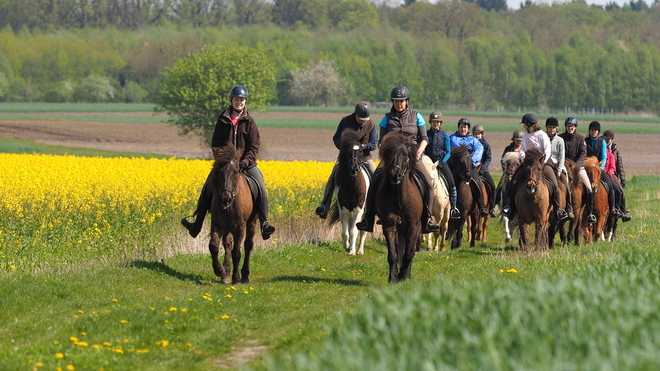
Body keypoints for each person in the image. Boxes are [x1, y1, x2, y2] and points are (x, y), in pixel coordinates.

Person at [181, 85, 276, 240]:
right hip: (225, 166)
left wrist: (245, 162)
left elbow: (254, 146)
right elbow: (216, 144)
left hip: (246, 165)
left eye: (242, 100)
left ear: (245, 102)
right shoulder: (222, 120)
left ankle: (265, 223)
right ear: (231, 100)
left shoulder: (249, 122)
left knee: (260, 187)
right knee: (207, 187)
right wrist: (222, 161)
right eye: (237, 99)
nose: (239, 102)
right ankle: (196, 225)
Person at [356, 86, 440, 233]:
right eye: (396, 101)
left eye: (402, 101)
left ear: (407, 101)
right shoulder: (386, 119)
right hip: (392, 159)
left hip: (412, 157)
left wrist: (419, 152)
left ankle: (427, 218)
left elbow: (424, 139)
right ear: (393, 102)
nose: (399, 104)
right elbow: (381, 141)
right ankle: (368, 219)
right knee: (375, 180)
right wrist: (387, 152)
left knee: (427, 182)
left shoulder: (416, 116)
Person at [315, 102, 378, 219]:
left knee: (376, 176)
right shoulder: (345, 121)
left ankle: (378, 208)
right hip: (347, 159)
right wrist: (345, 147)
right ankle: (324, 205)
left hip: (364, 158)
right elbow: (336, 138)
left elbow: (374, 144)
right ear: (355, 114)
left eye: (365, 119)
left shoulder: (371, 125)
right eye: (360, 119)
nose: (363, 121)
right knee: (333, 175)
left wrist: (362, 147)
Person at [501, 113, 568, 221]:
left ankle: (558, 209)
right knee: (514, 181)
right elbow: (522, 150)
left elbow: (547, 150)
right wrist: (524, 160)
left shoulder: (542, 135)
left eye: (524, 125)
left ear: (529, 124)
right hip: (528, 164)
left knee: (554, 183)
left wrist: (541, 162)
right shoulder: (526, 136)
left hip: (543, 163)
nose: (523, 127)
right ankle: (511, 208)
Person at [559, 116, 596, 224]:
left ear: (575, 127)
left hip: (577, 167)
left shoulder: (580, 138)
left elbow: (583, 153)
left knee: (589, 187)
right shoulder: (560, 137)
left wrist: (578, 165)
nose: (571, 128)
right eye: (569, 126)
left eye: (573, 126)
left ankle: (590, 213)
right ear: (566, 126)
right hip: (564, 166)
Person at [449, 118, 489, 217]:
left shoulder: (473, 140)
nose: (463, 129)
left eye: (465, 127)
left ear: (468, 129)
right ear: (458, 127)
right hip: (454, 167)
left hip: (469, 166)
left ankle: (482, 206)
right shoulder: (452, 138)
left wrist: (470, 161)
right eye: (462, 127)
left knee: (477, 181)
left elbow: (479, 150)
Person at [424, 111, 460, 219]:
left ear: (441, 123)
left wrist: (442, 162)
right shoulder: (426, 134)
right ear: (430, 122)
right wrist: (426, 160)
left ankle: (454, 207)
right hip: (428, 164)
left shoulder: (444, 135)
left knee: (452, 183)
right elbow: (422, 150)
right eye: (434, 122)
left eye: (438, 122)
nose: (436, 124)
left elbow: (448, 152)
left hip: (441, 163)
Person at [586, 121, 623, 219]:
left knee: (611, 185)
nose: (594, 132)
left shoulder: (602, 142)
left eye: (596, 130)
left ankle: (614, 208)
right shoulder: (584, 141)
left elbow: (603, 157)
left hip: (599, 169)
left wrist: (599, 169)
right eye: (592, 130)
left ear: (598, 132)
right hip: (587, 169)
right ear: (589, 131)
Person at [545, 117, 574, 219]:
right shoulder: (543, 138)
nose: (551, 129)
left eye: (553, 127)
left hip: (557, 165)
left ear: (557, 128)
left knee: (565, 185)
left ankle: (568, 208)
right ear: (546, 128)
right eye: (549, 127)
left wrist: (560, 169)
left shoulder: (560, 140)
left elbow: (562, 156)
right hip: (545, 164)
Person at [602, 130, 632, 222]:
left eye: (609, 139)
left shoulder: (615, 149)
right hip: (601, 171)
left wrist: (622, 178)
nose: (607, 141)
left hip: (612, 173)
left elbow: (619, 165)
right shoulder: (600, 145)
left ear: (612, 139)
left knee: (620, 191)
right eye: (605, 139)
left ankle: (622, 211)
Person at [471, 125, 498, 217]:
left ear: (482, 134)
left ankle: (492, 208)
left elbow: (488, 158)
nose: (477, 136)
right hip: (472, 169)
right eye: (475, 134)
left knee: (492, 187)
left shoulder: (486, 145)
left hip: (483, 170)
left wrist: (482, 169)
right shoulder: (471, 144)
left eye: (479, 134)